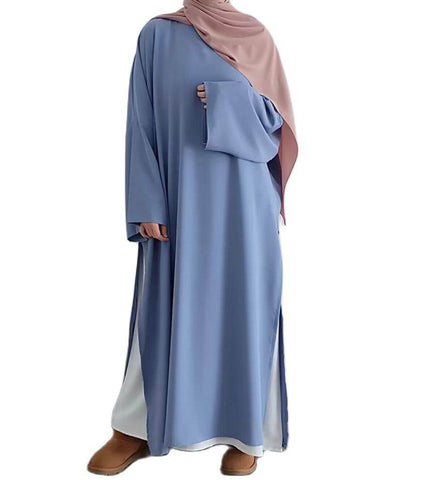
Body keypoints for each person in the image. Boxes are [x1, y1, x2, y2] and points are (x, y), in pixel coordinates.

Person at [88, 0, 297, 475]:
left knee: (245, 308)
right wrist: (145, 202)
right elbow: (140, 121)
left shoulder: (256, 37)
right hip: (177, 202)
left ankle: (248, 432)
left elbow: (277, 125)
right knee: (162, 307)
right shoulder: (157, 35)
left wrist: (227, 102)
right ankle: (136, 427)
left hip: (243, 206)